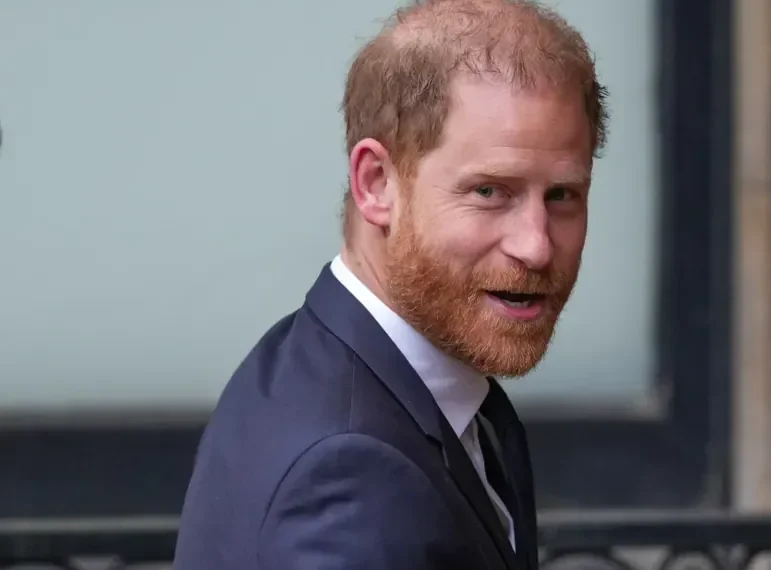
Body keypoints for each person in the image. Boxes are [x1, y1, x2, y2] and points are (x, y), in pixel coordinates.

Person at [172, 0, 606, 568]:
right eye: (489, 192)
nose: (537, 244)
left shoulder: (323, 361)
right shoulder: (348, 473)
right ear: (376, 184)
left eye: (562, 196)